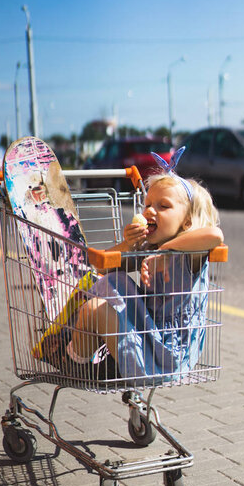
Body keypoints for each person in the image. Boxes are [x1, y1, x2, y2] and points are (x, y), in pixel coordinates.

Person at [46, 147, 224, 383]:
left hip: (168, 358)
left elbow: (215, 235)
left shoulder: (190, 253)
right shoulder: (147, 250)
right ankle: (79, 360)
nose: (150, 210)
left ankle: (73, 359)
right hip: (146, 342)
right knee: (113, 283)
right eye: (148, 204)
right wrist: (128, 245)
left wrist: (165, 251)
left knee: (96, 307)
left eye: (163, 206)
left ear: (188, 221)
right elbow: (101, 267)